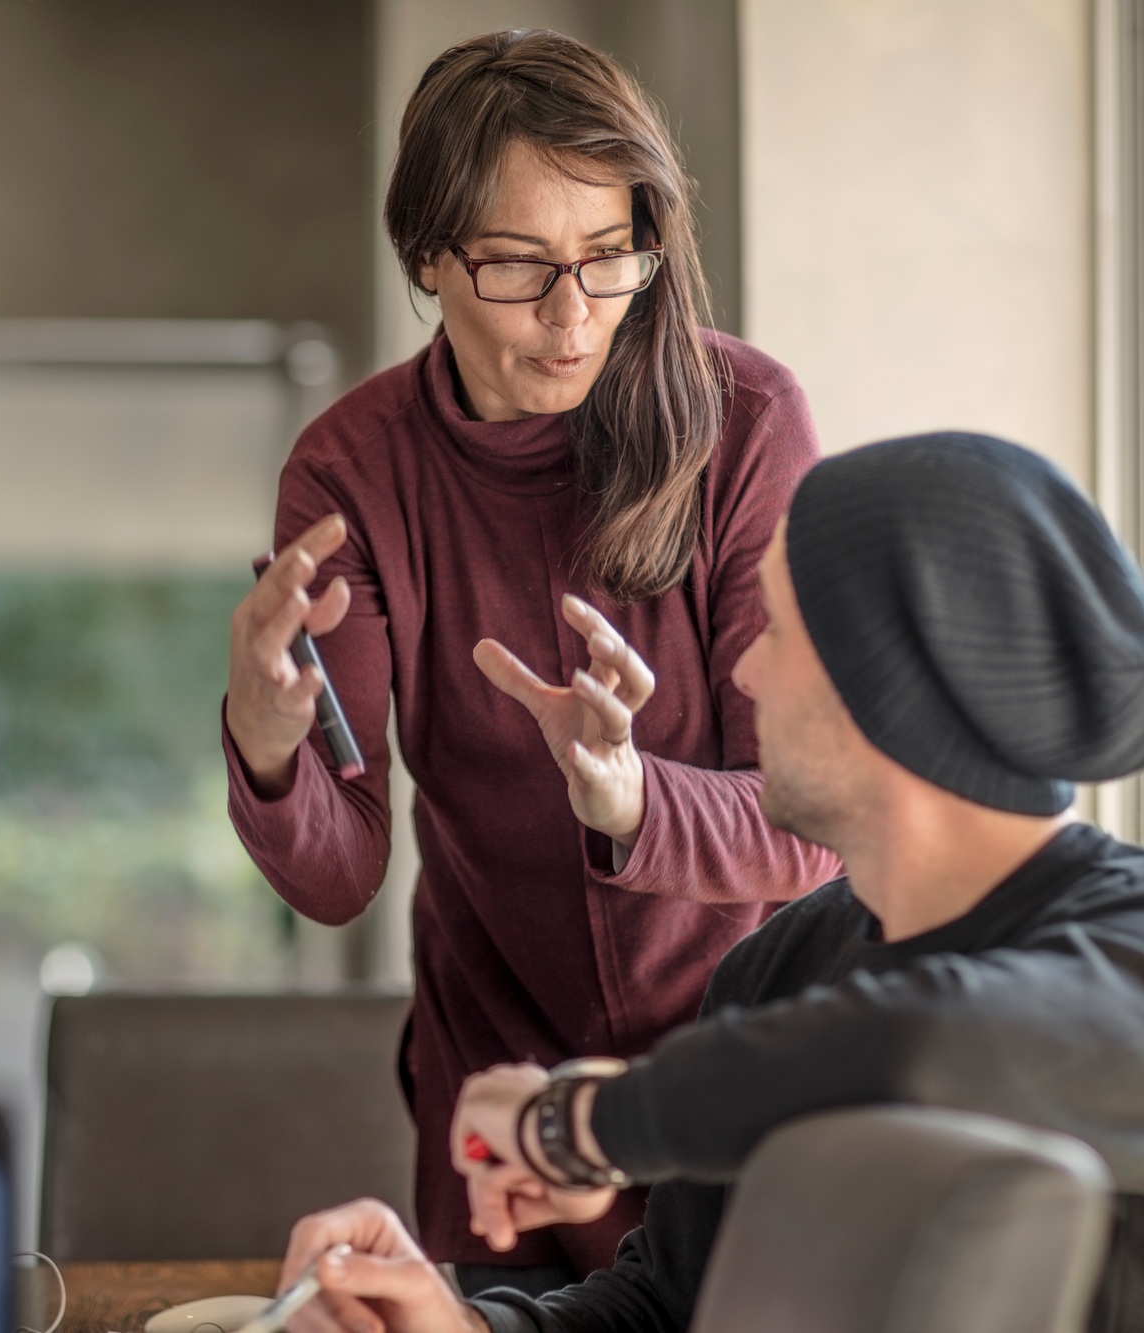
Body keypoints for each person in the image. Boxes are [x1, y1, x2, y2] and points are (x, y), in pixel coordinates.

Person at [274, 433, 1144, 1333]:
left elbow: (929, 1044)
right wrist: (454, 1325)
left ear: (883, 684)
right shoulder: (776, 965)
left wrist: (582, 1125)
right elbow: (666, 1308)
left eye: (779, 631)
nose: (746, 674)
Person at [222, 29, 838, 1292]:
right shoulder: (353, 471)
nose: (572, 317)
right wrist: (273, 750)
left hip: (733, 1082)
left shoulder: (745, 426)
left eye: (608, 257)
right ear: (428, 258)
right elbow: (341, 878)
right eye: (515, 266)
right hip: (496, 1085)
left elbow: (813, 821)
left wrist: (629, 796)